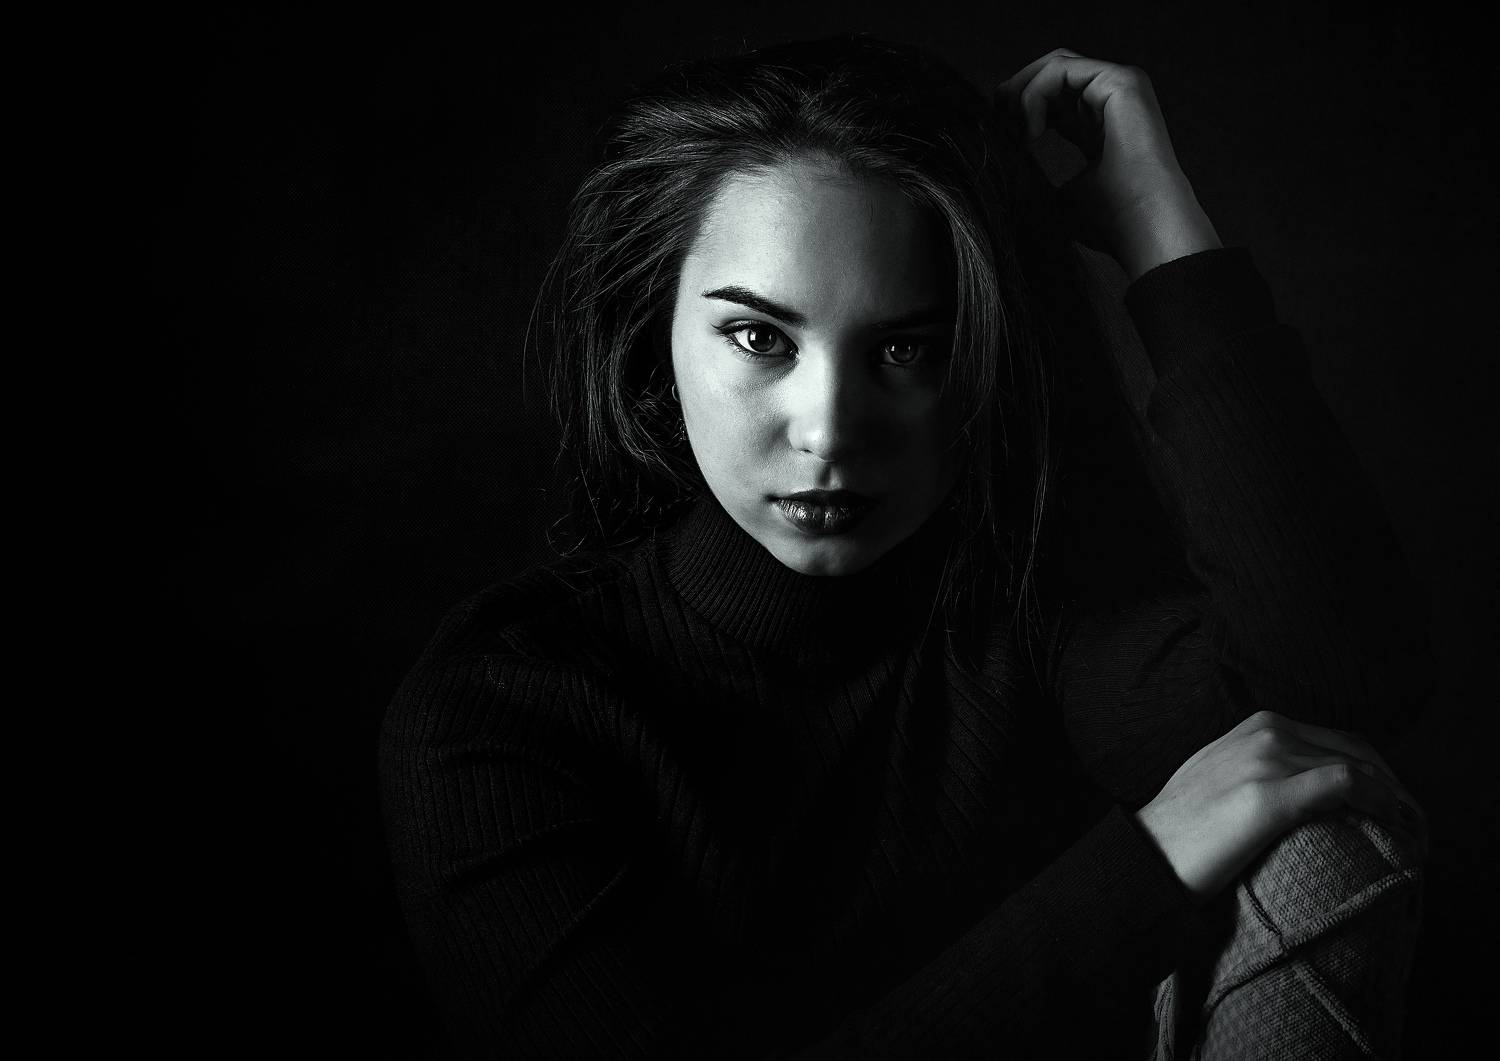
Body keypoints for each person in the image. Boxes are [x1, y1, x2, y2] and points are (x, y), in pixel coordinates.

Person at [379, 35, 1433, 1058]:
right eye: (759, 338)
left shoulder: (1021, 616)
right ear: (656, 333)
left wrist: (1159, 223)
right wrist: (1148, 864)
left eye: (904, 349)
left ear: (975, 359)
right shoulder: (501, 710)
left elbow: (1333, 678)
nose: (831, 430)